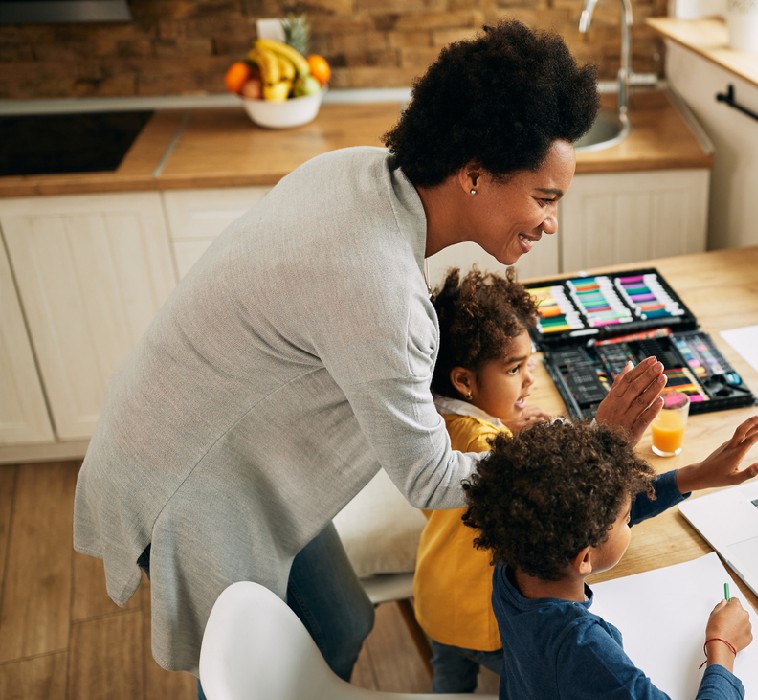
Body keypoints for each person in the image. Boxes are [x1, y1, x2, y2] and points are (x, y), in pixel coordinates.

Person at [72, 20, 667, 692]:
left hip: (220, 446)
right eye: (543, 197)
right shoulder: (381, 290)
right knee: (244, 669)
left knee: (340, 624)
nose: (551, 221)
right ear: (474, 173)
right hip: (184, 478)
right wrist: (591, 453)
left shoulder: (359, 172)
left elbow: (379, 371)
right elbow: (429, 477)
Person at [461, 417, 758, 699]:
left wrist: (693, 476)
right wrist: (723, 647)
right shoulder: (586, 652)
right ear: (584, 558)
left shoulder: (515, 555)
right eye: (626, 519)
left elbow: (595, 518)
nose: (630, 519)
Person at [413, 265, 545, 692]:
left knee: (450, 686)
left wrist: (506, 427)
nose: (530, 378)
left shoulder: (436, 420)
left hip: (436, 594)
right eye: (513, 369)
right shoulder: (483, 443)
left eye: (529, 363)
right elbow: (524, 492)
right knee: (528, 682)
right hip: (482, 614)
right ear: (465, 381)